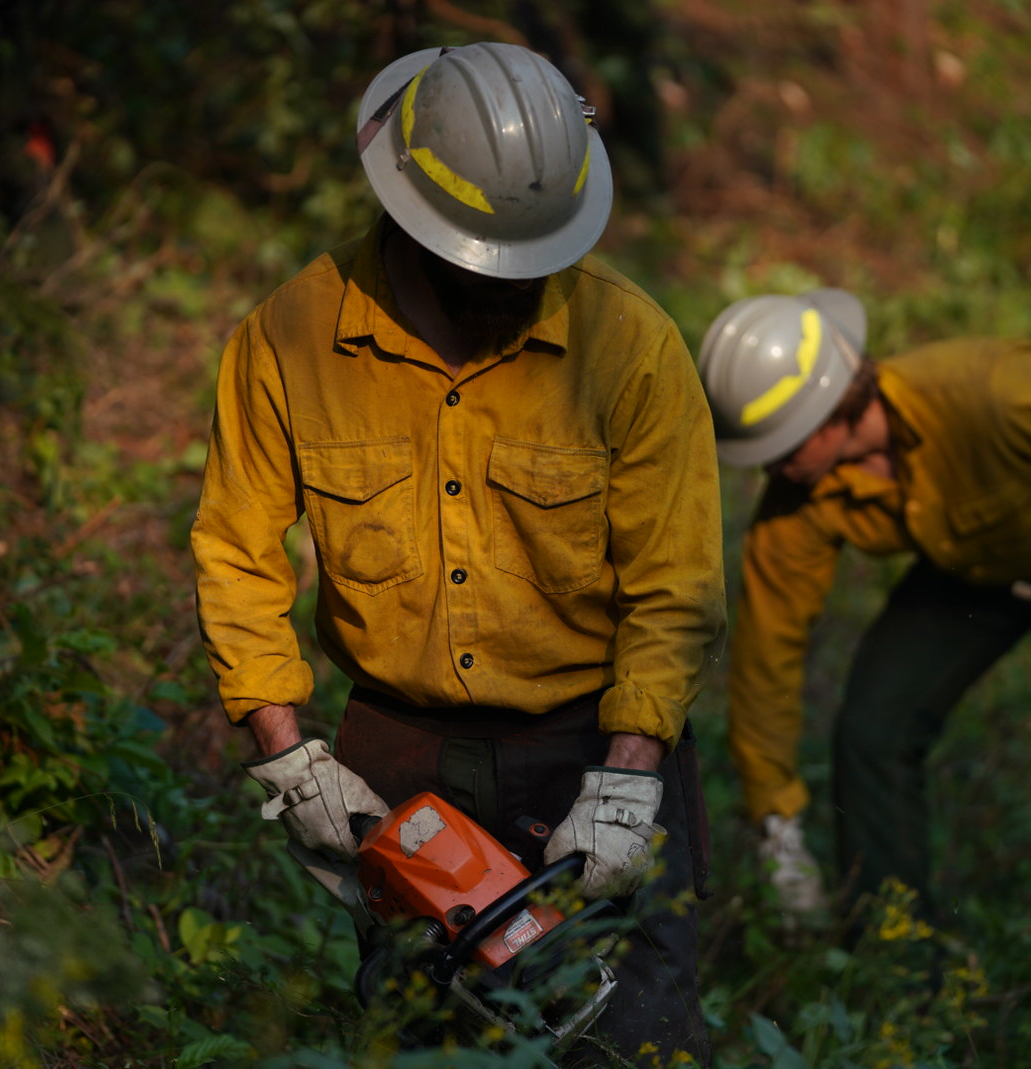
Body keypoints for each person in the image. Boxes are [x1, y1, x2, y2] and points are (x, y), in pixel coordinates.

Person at [189, 42, 726, 1066]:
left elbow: (676, 583)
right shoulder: (290, 339)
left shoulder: (631, 348)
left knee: (631, 1040)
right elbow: (236, 547)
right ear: (409, 216)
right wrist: (287, 754)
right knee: (424, 1041)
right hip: (399, 758)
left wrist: (629, 775)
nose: (513, 288)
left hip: (589, 748)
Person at [700, 289, 1031, 969]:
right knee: (873, 728)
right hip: (975, 563)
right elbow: (767, 653)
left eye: (774, 448)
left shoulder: (988, 391)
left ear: (827, 416)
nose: (766, 468)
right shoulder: (801, 499)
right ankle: (894, 963)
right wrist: (776, 820)